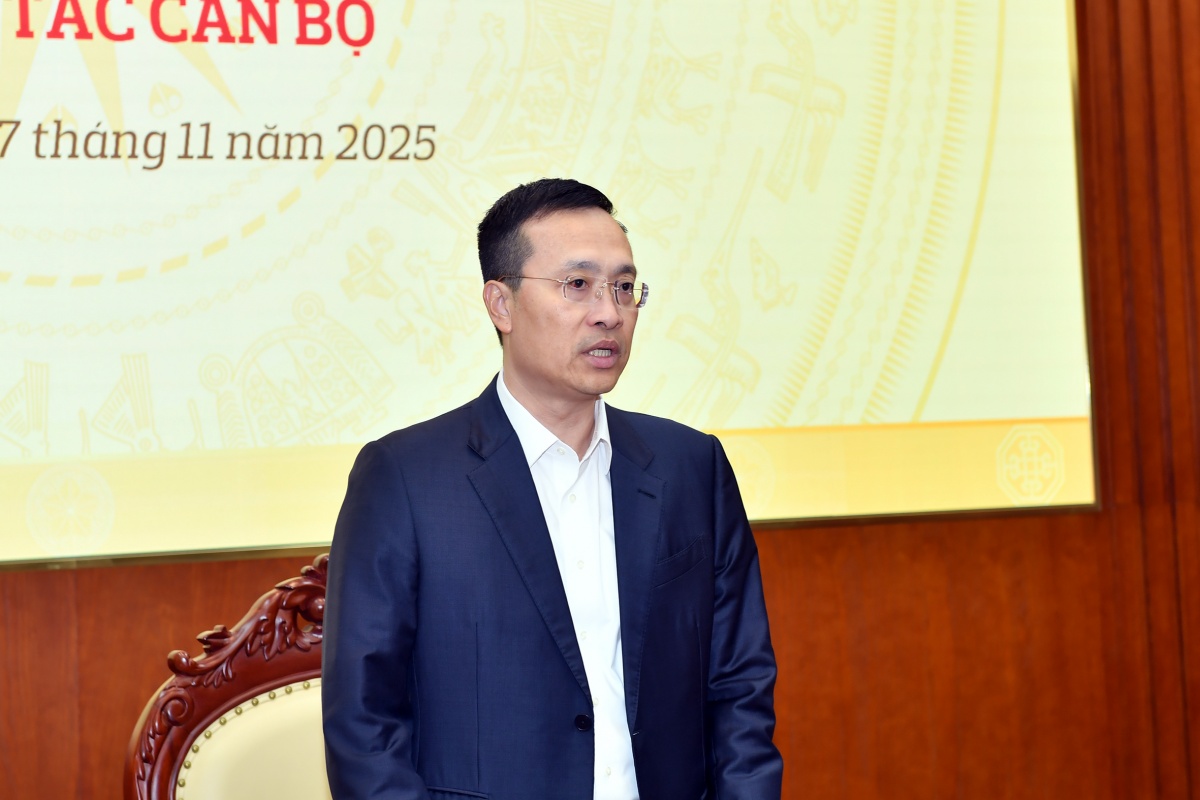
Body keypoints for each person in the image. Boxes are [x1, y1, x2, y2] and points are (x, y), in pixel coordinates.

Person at [322, 178, 783, 800]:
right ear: (501, 305)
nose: (609, 312)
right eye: (577, 284)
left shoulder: (690, 467)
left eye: (624, 287)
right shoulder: (404, 479)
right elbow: (365, 729)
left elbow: (739, 687)